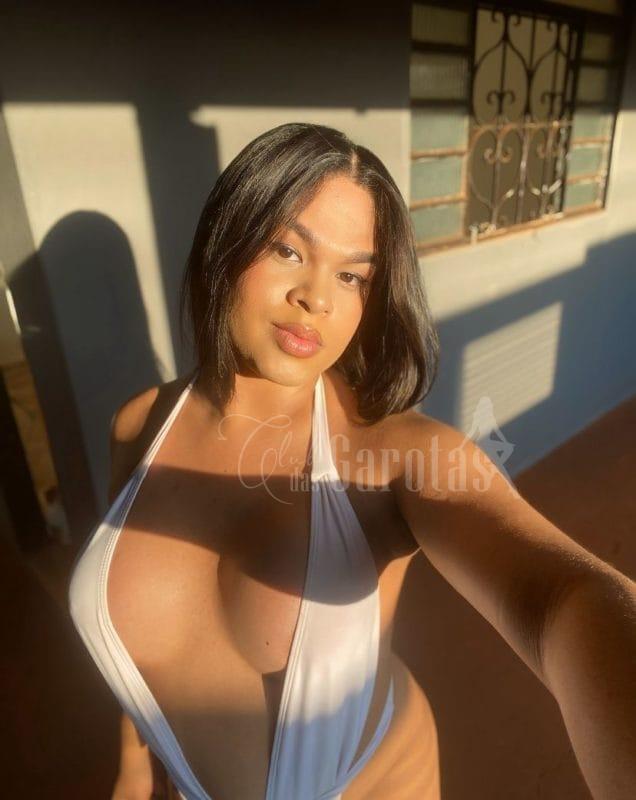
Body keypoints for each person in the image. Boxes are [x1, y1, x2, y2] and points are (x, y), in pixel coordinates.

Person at [68, 123, 636, 800]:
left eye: (351, 276)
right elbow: (136, 644)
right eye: (287, 249)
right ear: (227, 240)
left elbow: (559, 599)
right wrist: (134, 769)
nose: (317, 297)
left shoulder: (396, 456)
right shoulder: (137, 426)